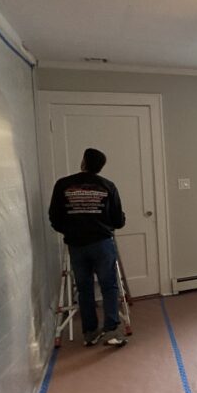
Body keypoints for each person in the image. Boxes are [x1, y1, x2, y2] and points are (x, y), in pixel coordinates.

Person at [48, 147, 128, 347]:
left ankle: (90, 333)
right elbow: (118, 220)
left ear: (83, 162)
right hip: (102, 243)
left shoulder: (63, 185)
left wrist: (70, 230)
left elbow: (54, 217)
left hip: (76, 245)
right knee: (109, 286)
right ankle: (112, 331)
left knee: (84, 289)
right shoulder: (108, 186)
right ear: (101, 167)